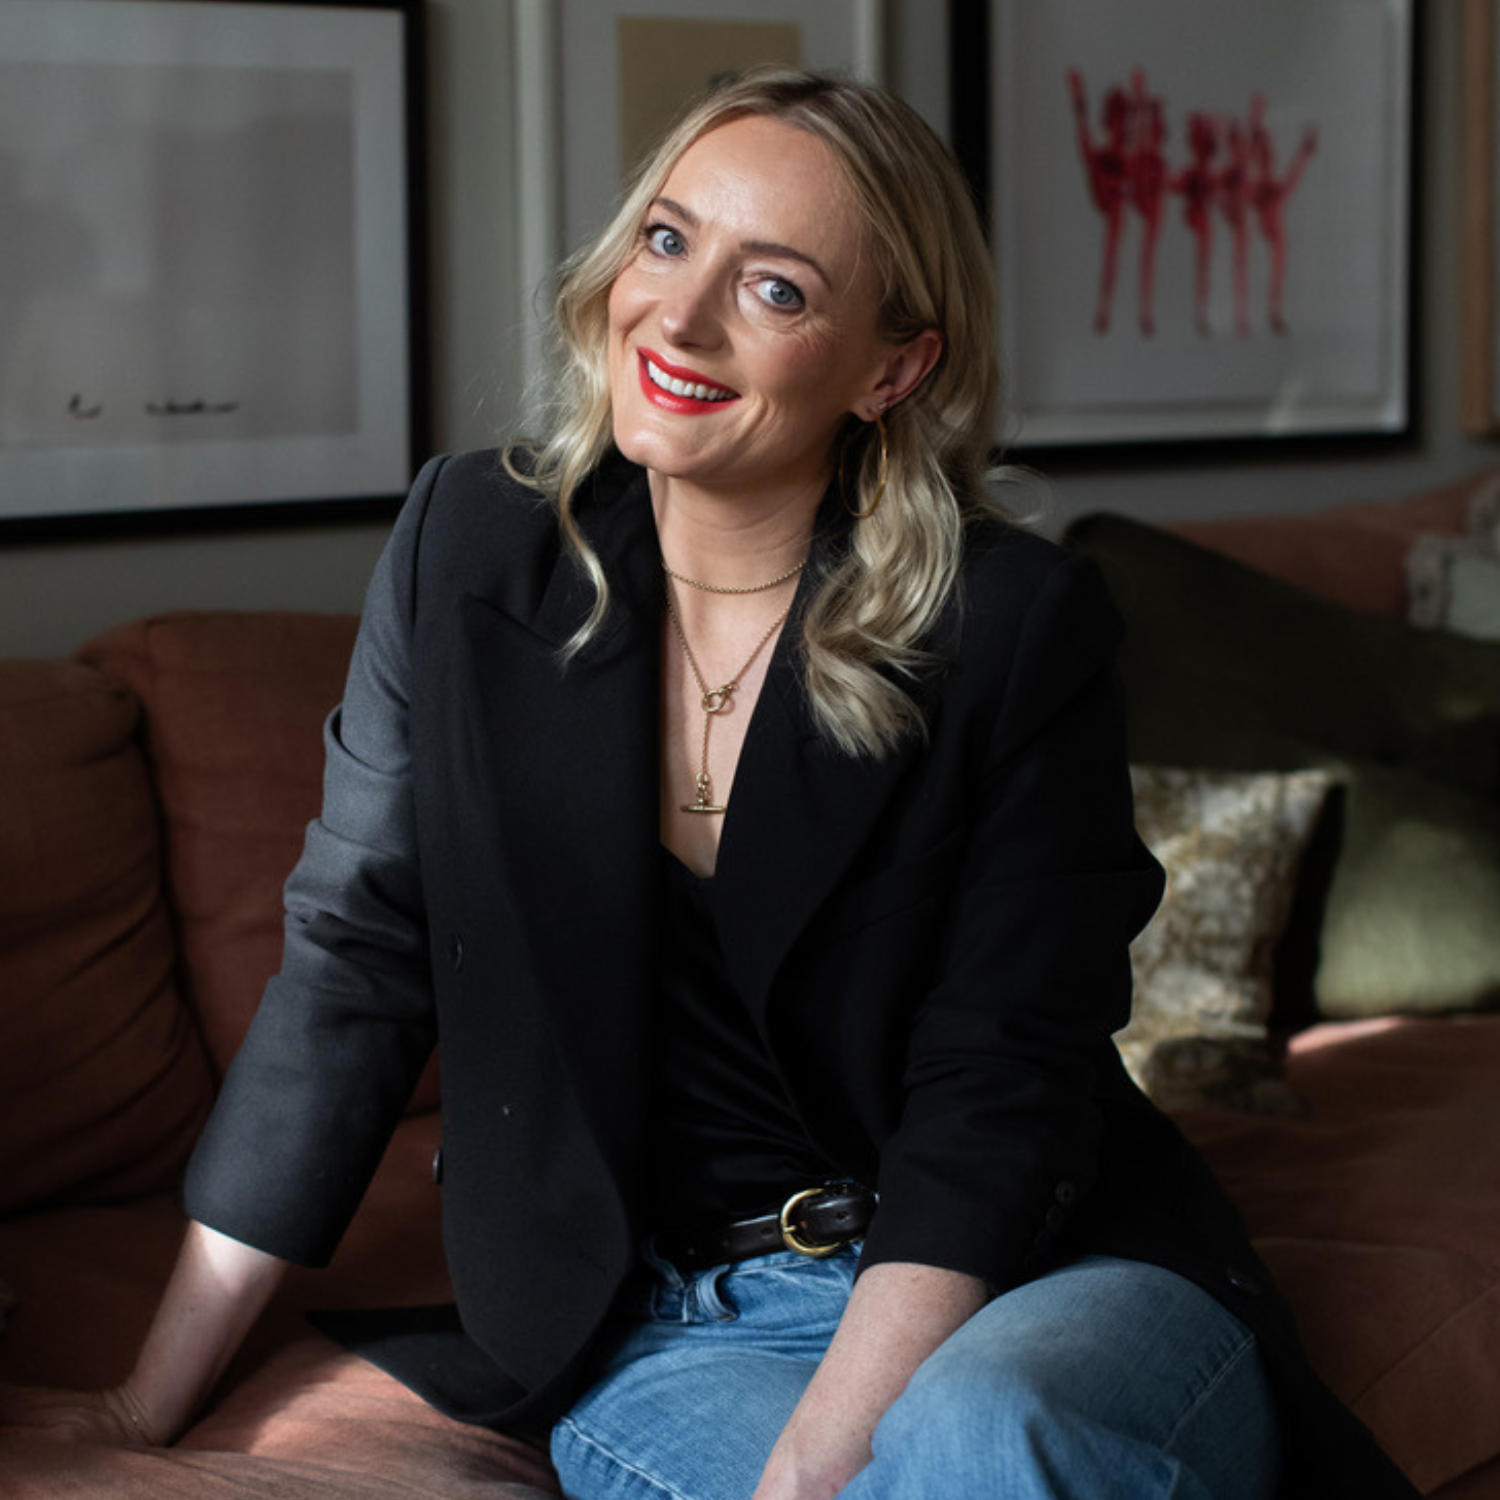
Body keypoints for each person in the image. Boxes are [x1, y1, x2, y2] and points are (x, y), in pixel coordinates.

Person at [0, 68, 1417, 1500]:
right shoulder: (468, 548)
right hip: (670, 1326)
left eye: (778, 289)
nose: (676, 318)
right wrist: (141, 1403)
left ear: (892, 370)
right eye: (667, 241)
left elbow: (1003, 1073)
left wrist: (812, 1470)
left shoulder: (1012, 626)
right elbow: (353, 967)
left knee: (980, 1446)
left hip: (1017, 1275)